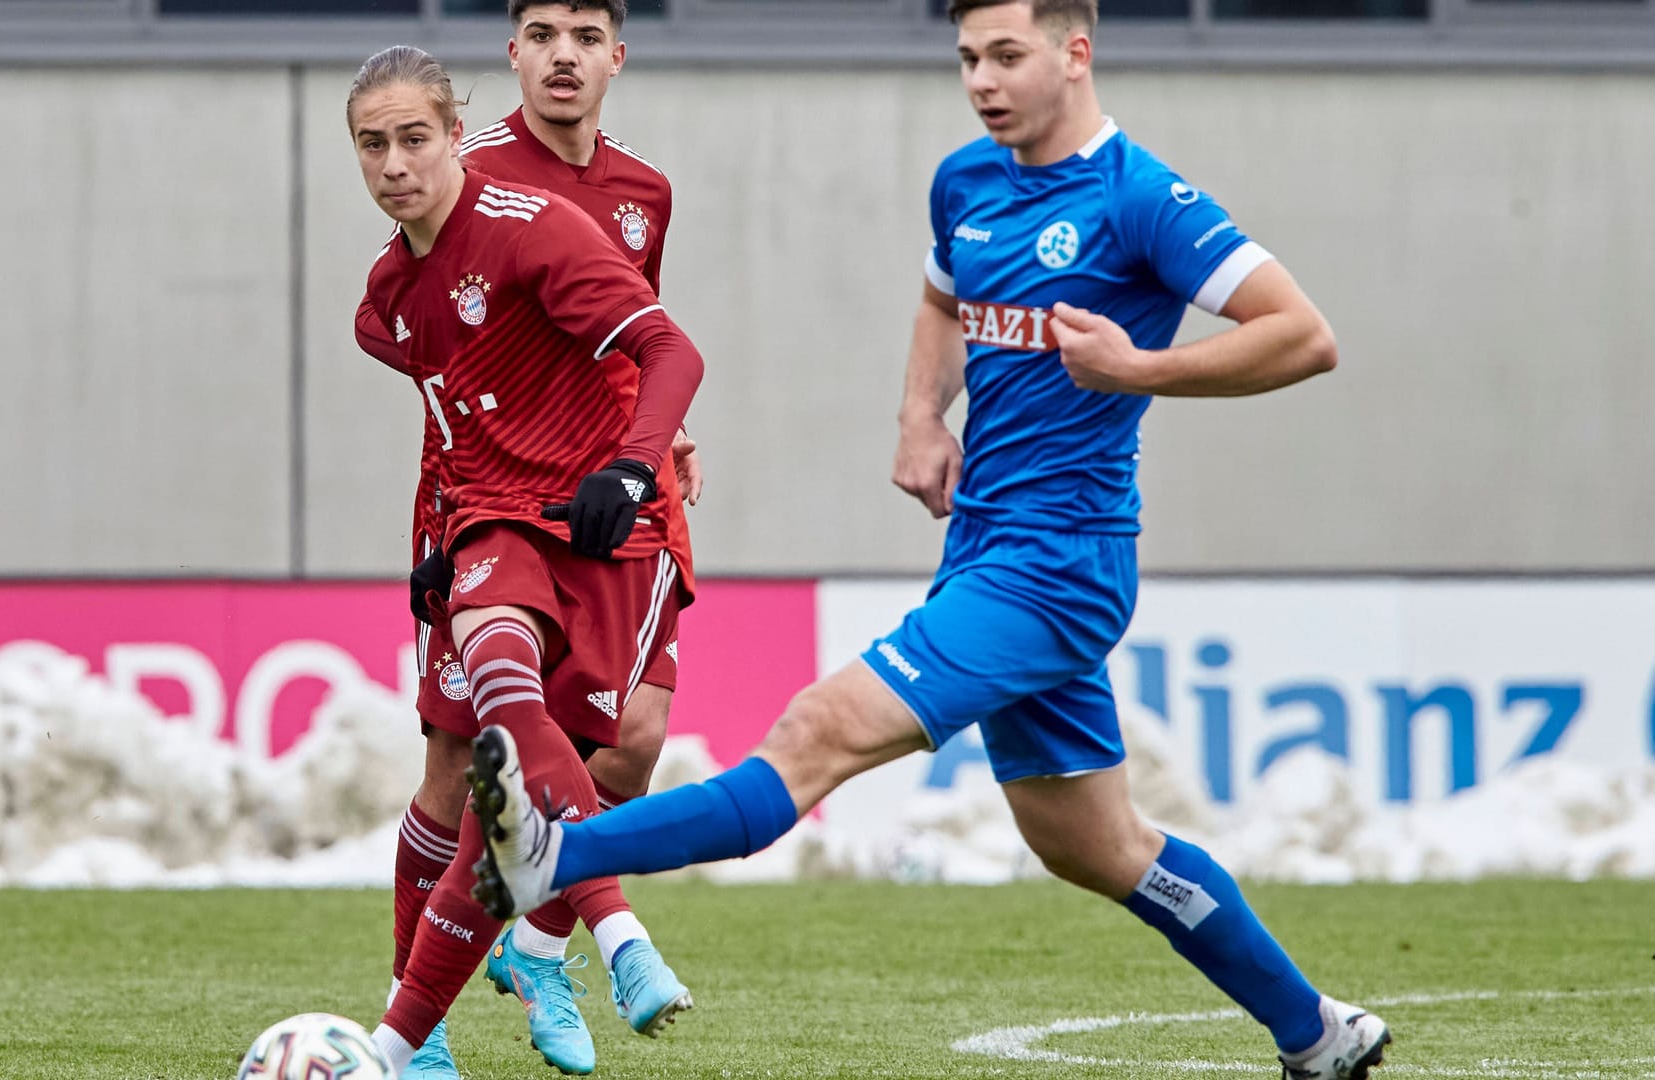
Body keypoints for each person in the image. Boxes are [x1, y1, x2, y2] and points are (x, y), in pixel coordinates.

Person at [466, 1, 1396, 1077]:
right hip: (987, 547)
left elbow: (1303, 334)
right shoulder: (969, 181)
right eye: (967, 59)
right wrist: (920, 418)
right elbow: (942, 299)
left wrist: (1138, 367)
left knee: (815, 734)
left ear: (1074, 52)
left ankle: (554, 859)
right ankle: (1317, 1034)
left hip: (1057, 568)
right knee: (1095, 845)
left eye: (1007, 56)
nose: (984, 80)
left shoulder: (1140, 199)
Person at [342, 45, 704, 1079]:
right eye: (374, 144)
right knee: (478, 746)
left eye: (415, 138)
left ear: (459, 136)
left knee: (560, 772)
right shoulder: (390, 299)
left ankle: (409, 1035)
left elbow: (669, 350)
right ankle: (617, 937)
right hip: (495, 523)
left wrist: (638, 465)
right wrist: (436, 541)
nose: (396, 162)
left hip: (599, 524)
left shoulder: (545, 226)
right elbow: (451, 418)